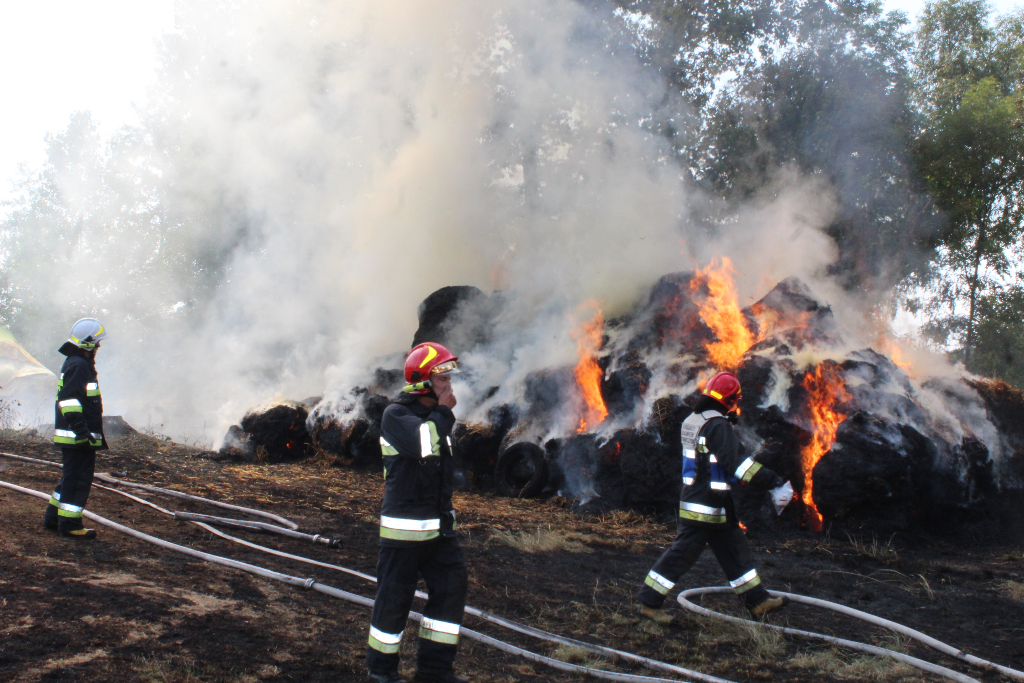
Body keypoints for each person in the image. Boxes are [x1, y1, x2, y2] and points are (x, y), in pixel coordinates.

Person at [638, 371, 795, 622]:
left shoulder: (694, 420)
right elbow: (738, 465)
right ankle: (649, 602)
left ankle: (757, 601)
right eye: (735, 402)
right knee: (681, 555)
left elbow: (708, 462)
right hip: (705, 506)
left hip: (711, 503)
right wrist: (773, 481)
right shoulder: (717, 426)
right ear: (730, 400)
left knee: (735, 552)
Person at [366, 342, 469, 683]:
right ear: (422, 381)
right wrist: (443, 412)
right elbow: (425, 444)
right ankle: (381, 673)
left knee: (452, 590)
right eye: (441, 376)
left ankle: (435, 671)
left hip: (439, 530)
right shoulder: (397, 415)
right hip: (405, 531)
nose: (449, 384)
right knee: (394, 601)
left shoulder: (434, 418)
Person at [43, 318, 109, 539]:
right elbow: (69, 400)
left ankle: (54, 516)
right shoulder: (79, 365)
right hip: (77, 435)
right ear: (88, 343)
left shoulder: (76, 362)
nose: (99, 347)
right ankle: (70, 524)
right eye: (96, 343)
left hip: (74, 433)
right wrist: (82, 432)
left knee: (70, 476)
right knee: (78, 479)